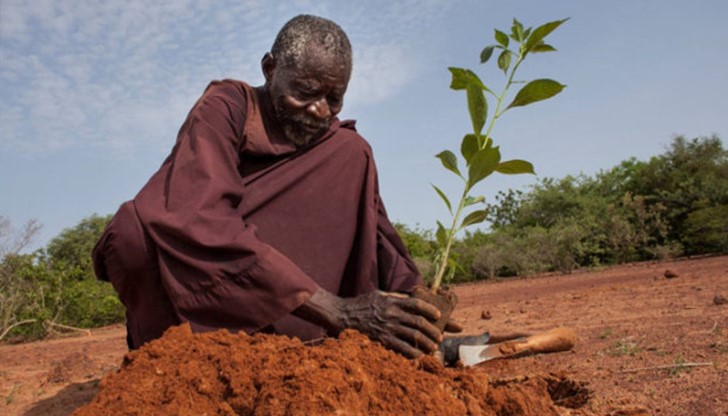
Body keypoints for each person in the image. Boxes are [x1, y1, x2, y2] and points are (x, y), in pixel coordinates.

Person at [93, 14, 459, 359]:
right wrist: (338, 310)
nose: (319, 110)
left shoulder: (339, 147)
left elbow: (376, 231)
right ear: (270, 69)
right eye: (305, 91)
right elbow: (198, 216)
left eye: (334, 99)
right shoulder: (226, 108)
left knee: (352, 151)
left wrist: (417, 304)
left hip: (286, 305)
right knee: (132, 232)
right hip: (204, 294)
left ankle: (309, 341)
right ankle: (171, 355)